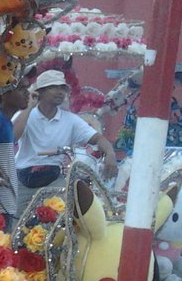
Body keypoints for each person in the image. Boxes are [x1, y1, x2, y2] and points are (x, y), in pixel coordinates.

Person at [13, 69, 118, 212]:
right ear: (40, 92)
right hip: (23, 179)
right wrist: (29, 106)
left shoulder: (71, 120)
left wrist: (110, 154)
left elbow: (98, 138)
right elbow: (13, 136)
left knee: (58, 220)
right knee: (15, 225)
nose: (60, 92)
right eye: (54, 87)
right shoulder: (25, 116)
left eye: (62, 88)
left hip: (54, 178)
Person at [0, 78, 30, 230]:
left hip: (6, 199)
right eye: (21, 89)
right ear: (4, 94)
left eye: (27, 89)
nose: (27, 94)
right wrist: (0, 175)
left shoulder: (6, 121)